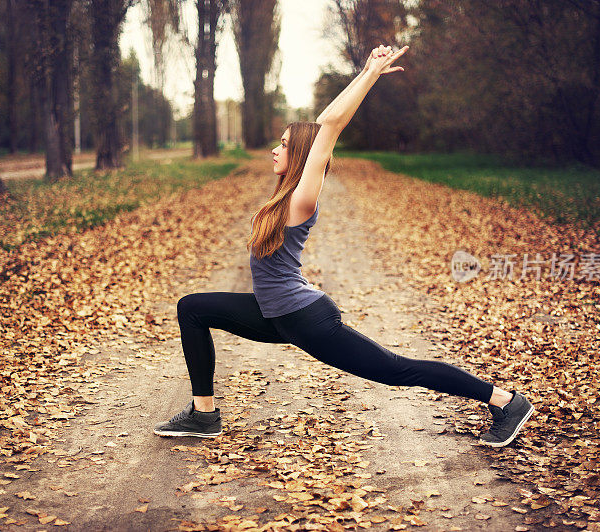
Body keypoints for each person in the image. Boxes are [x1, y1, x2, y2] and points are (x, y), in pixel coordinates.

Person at [154, 44, 534, 448]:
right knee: (192, 308)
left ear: (301, 154)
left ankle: (506, 401)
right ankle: (204, 414)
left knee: (396, 370)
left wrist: (369, 73)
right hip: (275, 313)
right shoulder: (283, 196)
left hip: (304, 318)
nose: (275, 149)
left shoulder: (302, 199)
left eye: (284, 144)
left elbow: (329, 126)